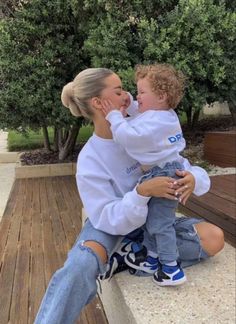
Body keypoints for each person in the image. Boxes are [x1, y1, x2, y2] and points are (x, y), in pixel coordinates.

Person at [34, 68, 224, 324]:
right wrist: (142, 192)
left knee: (214, 238)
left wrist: (193, 178)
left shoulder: (143, 131)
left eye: (125, 89)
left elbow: (177, 162)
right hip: (112, 226)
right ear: (99, 103)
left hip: (152, 222)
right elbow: (105, 216)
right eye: (118, 91)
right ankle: (134, 252)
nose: (127, 96)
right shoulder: (90, 158)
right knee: (79, 266)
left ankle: (133, 254)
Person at [100, 63, 202, 286]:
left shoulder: (156, 122)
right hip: (164, 172)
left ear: (162, 96)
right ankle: (151, 257)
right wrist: (128, 99)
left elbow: (129, 136)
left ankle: (170, 268)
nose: (137, 97)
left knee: (160, 224)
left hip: (165, 174)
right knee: (153, 219)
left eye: (141, 92)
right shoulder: (164, 115)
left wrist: (114, 116)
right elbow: (142, 112)